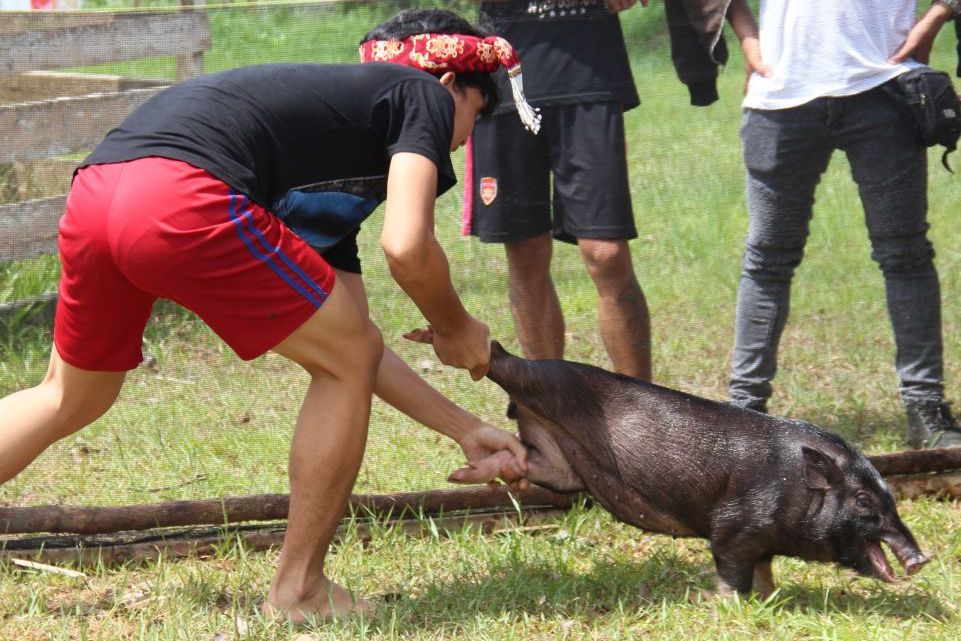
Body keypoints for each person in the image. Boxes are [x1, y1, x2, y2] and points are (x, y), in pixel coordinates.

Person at [0, 8, 535, 623]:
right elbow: (407, 247)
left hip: (97, 190)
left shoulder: (327, 169)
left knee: (69, 396)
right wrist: (456, 327)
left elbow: (359, 349)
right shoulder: (421, 93)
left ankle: (301, 588)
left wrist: (464, 428)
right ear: (450, 83)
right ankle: (299, 591)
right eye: (476, 113)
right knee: (345, 356)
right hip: (184, 193)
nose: (465, 139)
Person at [724, 0, 961, 448]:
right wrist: (747, 34)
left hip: (884, 88)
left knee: (906, 254)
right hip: (781, 94)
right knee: (768, 259)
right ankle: (744, 414)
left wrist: (938, 15)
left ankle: (925, 410)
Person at [463, 0, 652, 381]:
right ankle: (551, 406)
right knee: (526, 253)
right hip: (506, 74)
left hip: (589, 68)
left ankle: (642, 407)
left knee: (607, 253)